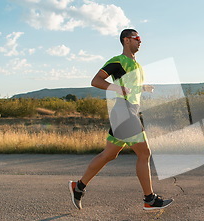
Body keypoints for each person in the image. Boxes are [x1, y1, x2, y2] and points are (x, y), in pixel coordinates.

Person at [68, 28, 173, 211]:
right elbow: (96, 80)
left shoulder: (137, 65)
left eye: (140, 38)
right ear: (126, 40)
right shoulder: (118, 61)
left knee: (109, 154)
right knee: (144, 153)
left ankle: (78, 187)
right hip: (123, 110)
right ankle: (149, 199)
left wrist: (143, 88)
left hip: (127, 110)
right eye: (137, 38)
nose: (140, 41)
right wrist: (117, 89)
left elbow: (130, 87)